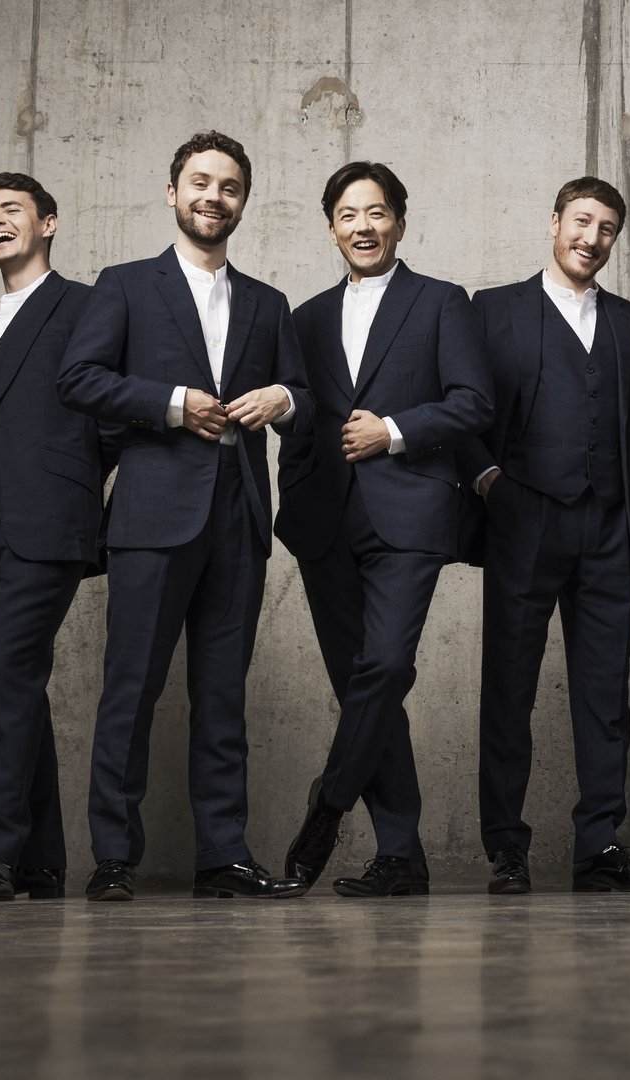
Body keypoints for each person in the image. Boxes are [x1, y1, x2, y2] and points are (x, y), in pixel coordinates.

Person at [57, 131, 311, 901]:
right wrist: (170, 405)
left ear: (243, 202)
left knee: (223, 696)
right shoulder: (126, 285)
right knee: (130, 689)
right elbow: (80, 377)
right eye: (200, 183)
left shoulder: (268, 303)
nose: (214, 197)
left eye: (229, 187)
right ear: (173, 193)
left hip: (236, 516)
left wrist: (285, 398)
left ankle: (223, 855)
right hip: (151, 516)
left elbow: (304, 393)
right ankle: (112, 857)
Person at [276, 161, 492, 898]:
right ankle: (401, 853)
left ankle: (329, 804)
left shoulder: (440, 303)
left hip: (410, 513)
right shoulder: (301, 319)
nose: (362, 226)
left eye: (376, 212)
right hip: (324, 521)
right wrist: (296, 488)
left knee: (386, 668)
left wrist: (394, 431)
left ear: (400, 219)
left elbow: (473, 403)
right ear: (330, 226)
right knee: (363, 688)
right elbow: (296, 418)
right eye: (347, 214)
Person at [456, 176, 630, 894]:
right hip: (523, 521)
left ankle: (598, 845)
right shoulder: (492, 311)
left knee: (604, 694)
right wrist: (486, 476)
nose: (592, 238)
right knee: (508, 689)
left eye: (607, 228)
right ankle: (506, 847)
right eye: (582, 222)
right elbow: (458, 404)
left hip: (611, 522)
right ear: (554, 222)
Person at [0, 172, 107, 901]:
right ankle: (41, 862)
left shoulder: (85, 308)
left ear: (49, 223)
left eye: (11, 209)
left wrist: (85, 487)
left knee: (9, 682)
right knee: (11, 694)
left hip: (46, 527)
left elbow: (118, 405)